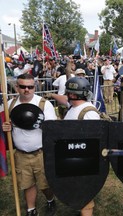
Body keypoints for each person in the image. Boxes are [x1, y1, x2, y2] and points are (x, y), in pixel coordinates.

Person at [2, 73, 57, 216]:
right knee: (27, 183)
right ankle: (31, 210)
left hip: (41, 153)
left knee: (45, 184)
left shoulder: (44, 104)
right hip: (21, 154)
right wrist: (5, 126)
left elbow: (52, 128)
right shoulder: (10, 105)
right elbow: (3, 122)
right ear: (17, 87)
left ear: (35, 87)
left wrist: (36, 122)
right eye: (23, 87)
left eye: (30, 87)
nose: (27, 90)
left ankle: (50, 199)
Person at [63, 76, 100, 215]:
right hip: (72, 157)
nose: (67, 95)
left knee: (85, 194)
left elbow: (93, 141)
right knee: (77, 191)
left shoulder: (89, 112)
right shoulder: (74, 107)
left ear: (72, 94)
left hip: (83, 161)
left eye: (68, 92)